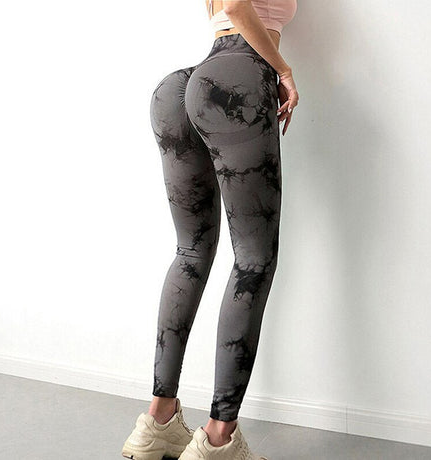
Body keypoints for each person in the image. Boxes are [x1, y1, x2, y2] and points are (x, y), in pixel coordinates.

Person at [122, 0, 299, 458]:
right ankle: (219, 438)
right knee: (254, 258)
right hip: (235, 82)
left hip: (180, 87)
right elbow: (238, 5)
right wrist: (282, 70)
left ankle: (158, 420)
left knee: (191, 250)